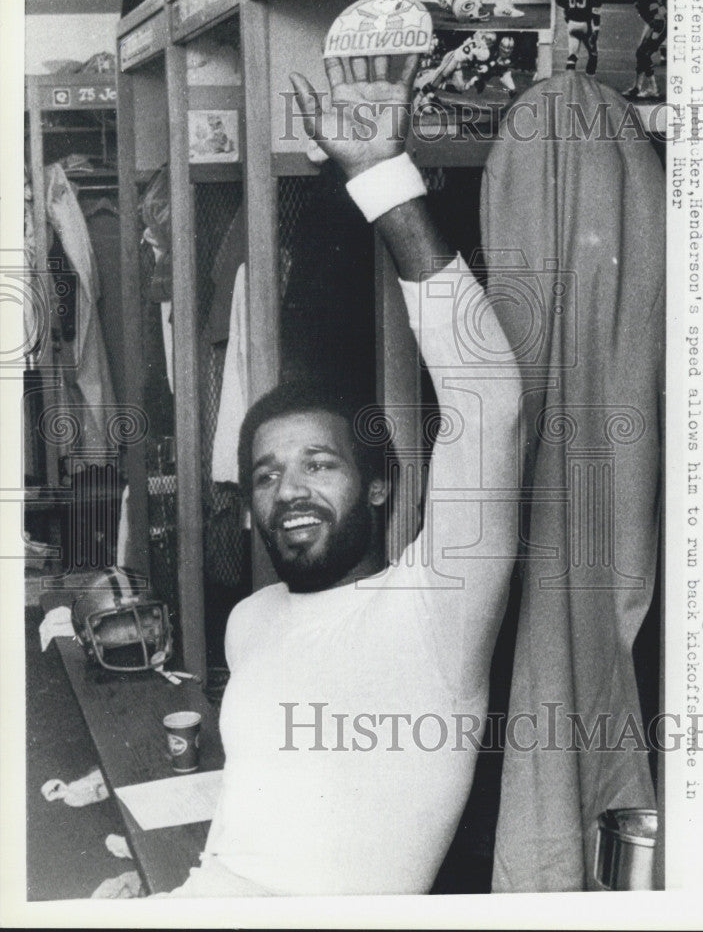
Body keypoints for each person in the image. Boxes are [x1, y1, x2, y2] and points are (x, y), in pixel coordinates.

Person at [163, 52, 522, 896]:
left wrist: (381, 177)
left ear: (382, 486)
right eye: (265, 474)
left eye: (318, 464)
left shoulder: (437, 606)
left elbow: (488, 396)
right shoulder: (250, 621)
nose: (287, 489)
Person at [622, 0, 667, 99]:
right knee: (641, 53)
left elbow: (655, 11)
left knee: (644, 54)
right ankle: (637, 87)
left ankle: (653, 89)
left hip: (658, 25)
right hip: (655, 24)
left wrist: (656, 31)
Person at [557, 0, 601, 76]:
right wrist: (596, 28)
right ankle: (591, 81)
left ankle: (568, 81)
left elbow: (561, 2)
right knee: (593, 54)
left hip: (572, 24)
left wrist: (567, 14)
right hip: (586, 24)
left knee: (572, 56)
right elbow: (596, 8)